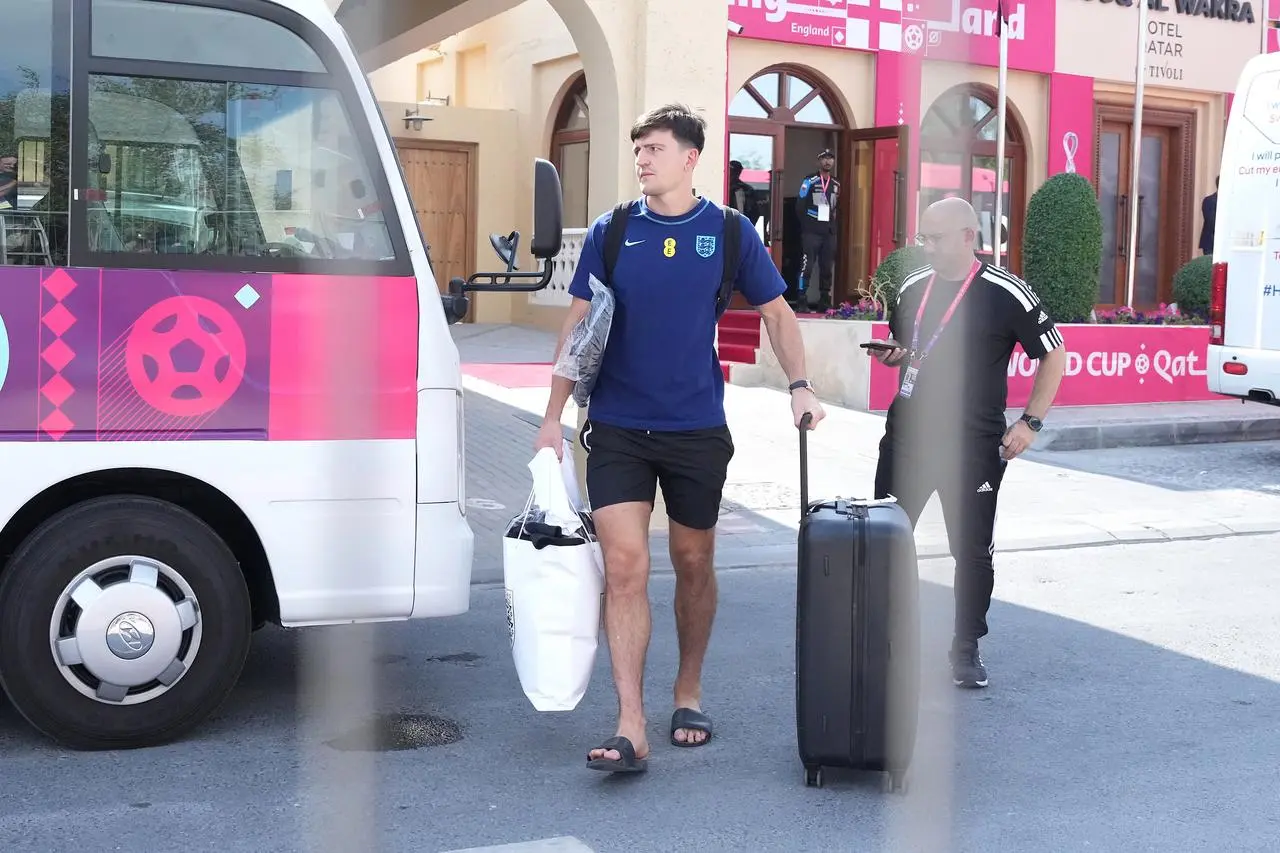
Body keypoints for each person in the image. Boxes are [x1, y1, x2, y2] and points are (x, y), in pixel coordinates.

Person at [534, 103, 825, 774]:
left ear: (689, 158)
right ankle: (630, 722)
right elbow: (577, 328)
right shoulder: (613, 231)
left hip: (696, 427)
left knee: (693, 561)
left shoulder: (725, 232)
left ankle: (687, 689)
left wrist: (800, 384)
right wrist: (551, 416)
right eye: (639, 149)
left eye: (655, 148)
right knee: (627, 565)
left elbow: (778, 313)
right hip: (616, 428)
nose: (642, 159)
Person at [866, 197, 1066, 689]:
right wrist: (895, 357)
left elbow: (1054, 354)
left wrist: (1030, 423)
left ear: (967, 237)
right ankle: (881, 642)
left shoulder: (1006, 291)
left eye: (935, 238)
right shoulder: (913, 286)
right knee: (885, 544)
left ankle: (965, 649)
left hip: (973, 446)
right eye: (923, 238)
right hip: (908, 438)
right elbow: (913, 354)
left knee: (970, 551)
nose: (926, 247)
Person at [796, 149, 839, 311]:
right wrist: (807, 226)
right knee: (807, 266)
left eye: (830, 158)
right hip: (811, 232)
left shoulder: (836, 184)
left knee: (827, 268)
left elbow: (836, 208)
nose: (827, 161)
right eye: (824, 158)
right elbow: (800, 206)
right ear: (818, 161)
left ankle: (824, 301)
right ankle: (801, 299)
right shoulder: (810, 181)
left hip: (829, 233)